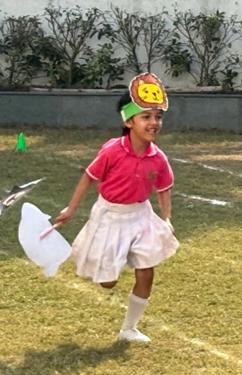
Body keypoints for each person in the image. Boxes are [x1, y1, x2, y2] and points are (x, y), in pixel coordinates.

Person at [52, 73, 179, 343]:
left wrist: (166, 219)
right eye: (146, 117)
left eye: (158, 117)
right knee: (107, 282)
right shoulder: (111, 151)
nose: (154, 123)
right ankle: (110, 264)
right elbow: (89, 176)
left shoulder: (158, 157)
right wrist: (71, 209)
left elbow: (164, 188)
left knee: (147, 270)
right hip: (110, 216)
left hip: (141, 215)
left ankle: (129, 328)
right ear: (128, 121)